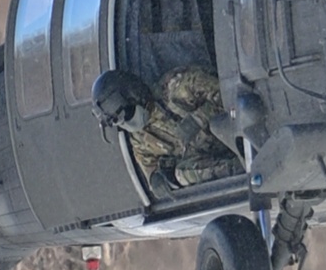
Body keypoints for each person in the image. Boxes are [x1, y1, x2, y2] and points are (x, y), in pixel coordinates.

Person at [92, 65, 238, 197]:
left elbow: (229, 94)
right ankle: (238, 169)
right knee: (182, 174)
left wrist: (200, 118)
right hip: (220, 159)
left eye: (128, 114)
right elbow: (149, 167)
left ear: (134, 94)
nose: (130, 124)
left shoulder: (177, 87)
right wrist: (155, 179)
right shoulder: (140, 138)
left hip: (236, 130)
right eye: (122, 122)